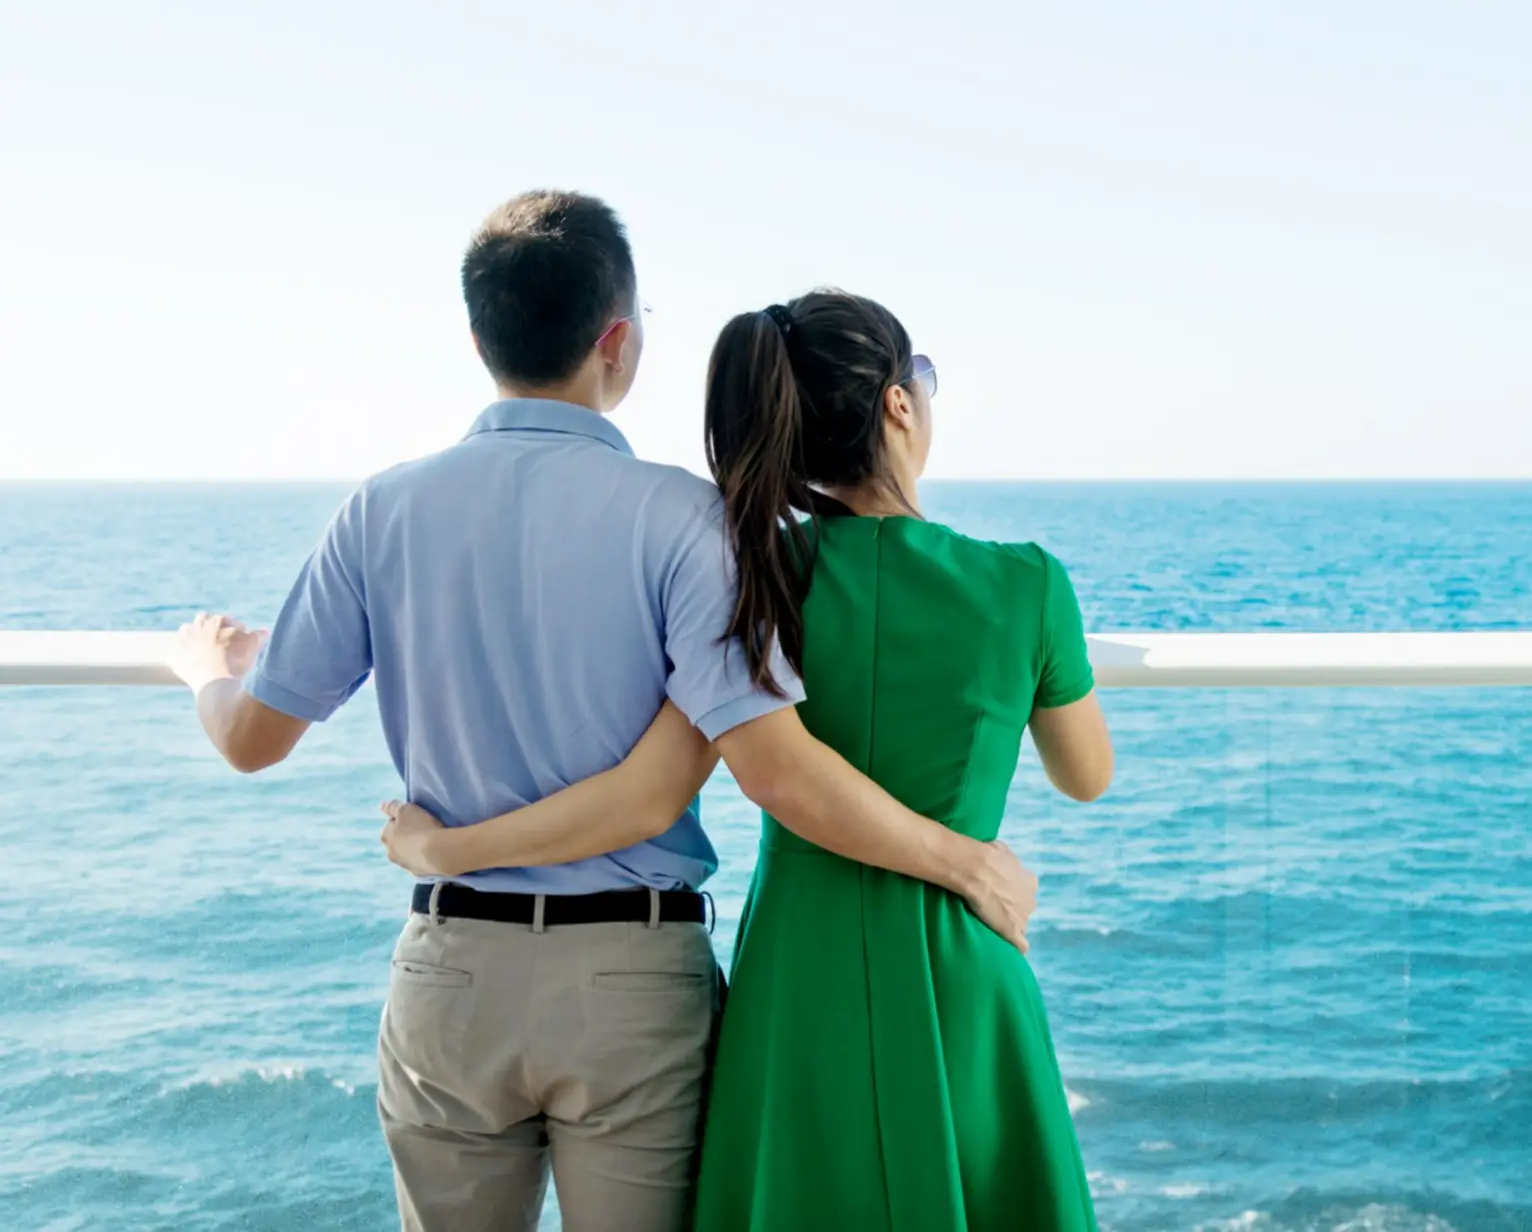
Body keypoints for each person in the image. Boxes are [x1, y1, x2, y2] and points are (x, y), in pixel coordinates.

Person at [165, 196, 1038, 1232]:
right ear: (615, 341)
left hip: (454, 970)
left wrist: (201, 671)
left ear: (479, 332)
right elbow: (692, 780)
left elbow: (253, 738)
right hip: (632, 977)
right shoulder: (686, 520)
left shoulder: (381, 509)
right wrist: (963, 857)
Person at [380, 289, 1115, 1231]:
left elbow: (655, 781)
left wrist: (450, 849)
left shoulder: (754, 577)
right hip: (960, 948)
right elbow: (1085, 774)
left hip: (796, 970)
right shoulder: (1027, 583)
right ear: (898, 405)